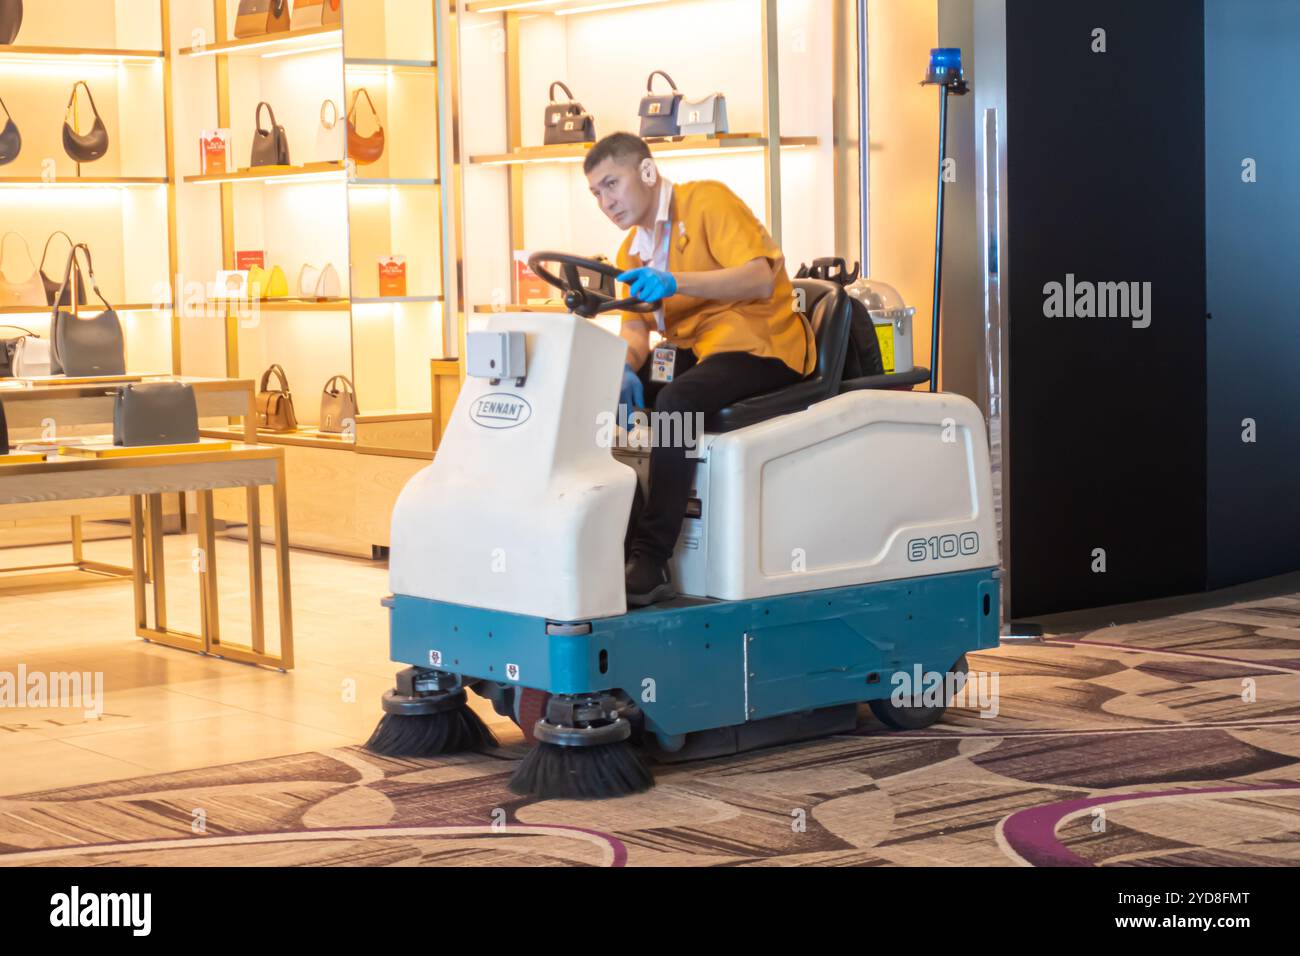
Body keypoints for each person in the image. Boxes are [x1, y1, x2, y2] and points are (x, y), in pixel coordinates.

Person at [584, 132, 815, 606]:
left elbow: (759, 275)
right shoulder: (631, 253)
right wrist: (621, 372)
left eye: (612, 184)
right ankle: (620, 539)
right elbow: (636, 333)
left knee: (677, 402)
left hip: (759, 341)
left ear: (646, 171)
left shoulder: (707, 200)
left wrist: (675, 280)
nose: (606, 202)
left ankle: (651, 559)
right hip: (695, 352)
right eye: (596, 194)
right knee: (592, 400)